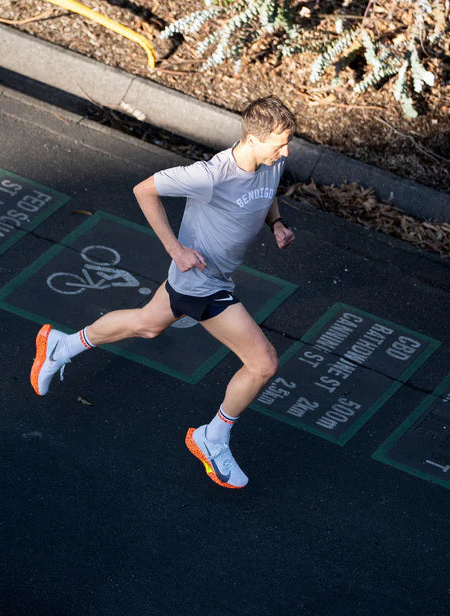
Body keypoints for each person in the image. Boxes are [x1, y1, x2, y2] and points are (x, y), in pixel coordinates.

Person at [30, 96, 296, 489]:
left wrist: (276, 223)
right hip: (201, 281)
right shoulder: (211, 175)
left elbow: (267, 188)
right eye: (280, 143)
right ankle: (213, 437)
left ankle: (60, 346)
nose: (286, 151)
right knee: (263, 364)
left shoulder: (271, 160)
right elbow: (144, 190)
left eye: (288, 143)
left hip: (215, 278)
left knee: (147, 324)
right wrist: (175, 248)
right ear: (254, 139)